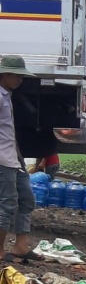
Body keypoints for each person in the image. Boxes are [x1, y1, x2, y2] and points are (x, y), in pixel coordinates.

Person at [0, 56, 35, 262]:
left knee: (26, 198)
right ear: (5, 75)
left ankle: (21, 246)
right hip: (3, 160)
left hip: (13, 158)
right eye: (17, 76)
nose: (20, 80)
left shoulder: (7, 96)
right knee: (7, 204)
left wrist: (20, 157)